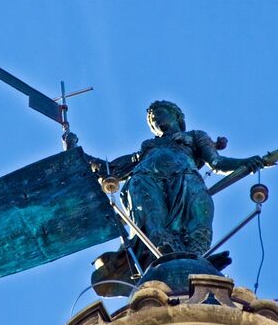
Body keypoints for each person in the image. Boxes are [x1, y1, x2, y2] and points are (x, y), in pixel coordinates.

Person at [84, 101, 263, 292]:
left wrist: (245, 162)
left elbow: (217, 162)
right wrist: (76, 150)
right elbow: (109, 170)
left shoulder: (194, 136)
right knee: (154, 221)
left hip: (185, 180)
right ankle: (164, 252)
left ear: (177, 116)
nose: (156, 120)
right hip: (146, 180)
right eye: (152, 120)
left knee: (199, 220)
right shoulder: (147, 148)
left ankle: (193, 259)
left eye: (160, 114)